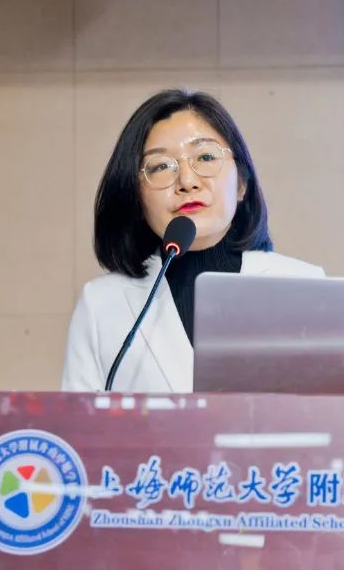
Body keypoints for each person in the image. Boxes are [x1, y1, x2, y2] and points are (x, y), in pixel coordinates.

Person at [61, 89, 324, 393]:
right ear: (136, 197)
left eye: (206, 157)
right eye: (161, 166)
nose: (187, 181)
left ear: (241, 183)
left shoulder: (305, 287)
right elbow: (75, 422)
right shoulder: (101, 305)